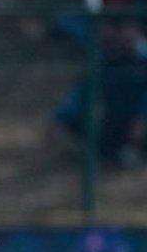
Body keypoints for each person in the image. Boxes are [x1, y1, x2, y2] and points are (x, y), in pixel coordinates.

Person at [48, 21, 147, 168]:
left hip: (140, 120)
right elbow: (83, 91)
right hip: (118, 120)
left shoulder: (142, 58)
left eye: (130, 35)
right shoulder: (108, 60)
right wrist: (60, 118)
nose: (125, 39)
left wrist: (142, 116)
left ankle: (132, 150)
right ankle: (116, 151)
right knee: (82, 123)